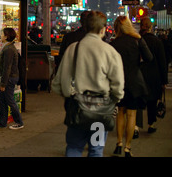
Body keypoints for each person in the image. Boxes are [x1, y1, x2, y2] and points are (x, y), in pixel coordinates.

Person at [51, 11, 125, 157]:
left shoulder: (73, 49)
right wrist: (113, 101)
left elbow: (58, 83)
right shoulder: (110, 52)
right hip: (100, 111)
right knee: (96, 150)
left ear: (84, 26)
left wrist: (69, 95)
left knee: (74, 147)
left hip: (78, 109)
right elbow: (118, 86)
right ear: (103, 29)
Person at [110, 15, 153, 157]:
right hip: (134, 81)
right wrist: (137, 66)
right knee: (131, 113)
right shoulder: (138, 40)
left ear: (117, 28)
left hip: (119, 81)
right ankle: (128, 147)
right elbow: (149, 58)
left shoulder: (114, 43)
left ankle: (119, 144)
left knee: (120, 112)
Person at [136, 17, 168, 135]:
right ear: (150, 27)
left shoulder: (138, 40)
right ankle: (151, 124)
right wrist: (164, 80)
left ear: (141, 26)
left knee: (139, 102)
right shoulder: (157, 42)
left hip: (140, 75)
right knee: (152, 102)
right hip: (154, 76)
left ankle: (136, 126)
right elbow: (162, 62)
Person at [0, 28, 24, 130]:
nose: (1, 36)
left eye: (2, 34)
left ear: (6, 36)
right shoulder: (8, 47)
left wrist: (3, 83)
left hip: (9, 78)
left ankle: (19, 122)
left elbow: (7, 67)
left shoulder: (9, 49)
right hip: (9, 77)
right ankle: (2, 122)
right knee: (2, 100)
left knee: (9, 100)